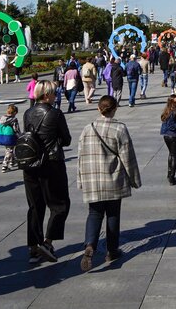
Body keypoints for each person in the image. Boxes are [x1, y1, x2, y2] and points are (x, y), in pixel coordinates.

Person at [77, 95, 142, 271]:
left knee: (94, 213)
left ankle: (90, 245)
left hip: (92, 179)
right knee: (113, 214)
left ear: (99, 108)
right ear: (114, 109)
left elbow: (80, 157)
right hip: (113, 179)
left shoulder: (87, 129)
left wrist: (80, 179)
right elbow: (128, 157)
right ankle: (111, 250)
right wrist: (135, 180)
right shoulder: (120, 129)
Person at [23, 80, 73, 264]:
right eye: (53, 93)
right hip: (51, 164)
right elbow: (66, 140)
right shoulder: (55, 113)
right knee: (60, 205)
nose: (55, 95)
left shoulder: (28, 113)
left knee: (35, 206)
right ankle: (48, 242)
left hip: (30, 165)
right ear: (46, 95)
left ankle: (33, 247)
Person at [160, 96, 176, 184]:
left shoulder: (166, 110)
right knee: (174, 155)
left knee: (171, 154)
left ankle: (169, 174)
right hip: (172, 136)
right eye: (175, 102)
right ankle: (172, 177)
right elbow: (171, 126)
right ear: (171, 102)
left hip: (166, 135)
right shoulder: (173, 112)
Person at [0, 105, 22, 172]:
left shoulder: (3, 118)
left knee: (8, 149)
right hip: (11, 137)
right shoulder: (14, 119)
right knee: (9, 151)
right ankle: (5, 165)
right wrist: (20, 136)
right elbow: (16, 129)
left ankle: (12, 161)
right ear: (14, 112)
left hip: (3, 136)